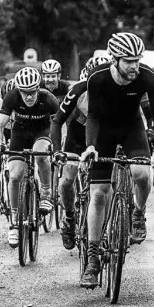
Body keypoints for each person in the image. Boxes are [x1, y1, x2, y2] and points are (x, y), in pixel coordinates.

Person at [79, 33, 154, 288]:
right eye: (129, 61)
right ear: (114, 59)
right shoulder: (98, 77)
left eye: (137, 60)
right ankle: (93, 259)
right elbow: (93, 115)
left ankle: (138, 213)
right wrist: (91, 146)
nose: (135, 66)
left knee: (142, 174)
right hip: (103, 132)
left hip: (132, 129)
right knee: (99, 195)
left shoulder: (148, 77)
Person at [0, 67, 59, 247]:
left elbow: (60, 125)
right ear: (18, 90)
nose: (28, 97)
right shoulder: (11, 97)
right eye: (24, 93)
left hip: (42, 132)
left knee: (41, 155)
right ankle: (14, 222)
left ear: (38, 88)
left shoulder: (48, 99)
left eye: (32, 92)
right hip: (19, 133)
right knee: (14, 176)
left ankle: (46, 194)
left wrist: (59, 147)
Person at [51, 71, 92, 250]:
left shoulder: (117, 92)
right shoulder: (77, 91)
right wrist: (58, 150)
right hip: (76, 138)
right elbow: (58, 121)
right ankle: (69, 217)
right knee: (66, 181)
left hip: (102, 140)